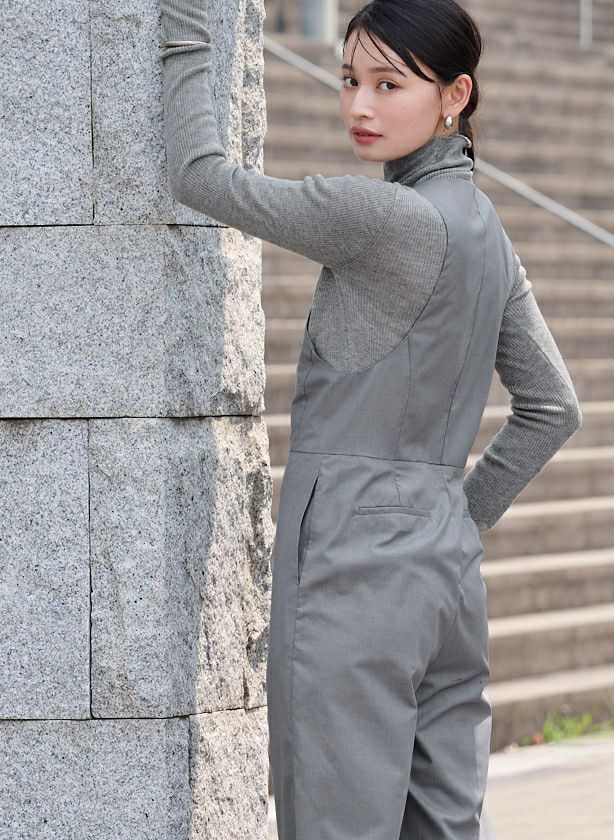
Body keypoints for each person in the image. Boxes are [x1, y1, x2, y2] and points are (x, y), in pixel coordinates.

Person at [158, 0, 583, 837]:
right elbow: (552, 408)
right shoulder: (487, 231)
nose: (359, 105)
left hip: (352, 578)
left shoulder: (380, 217)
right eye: (349, 79)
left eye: (389, 85)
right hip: (446, 584)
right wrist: (450, 518)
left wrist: (183, 23)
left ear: (454, 95)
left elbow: (200, 176)